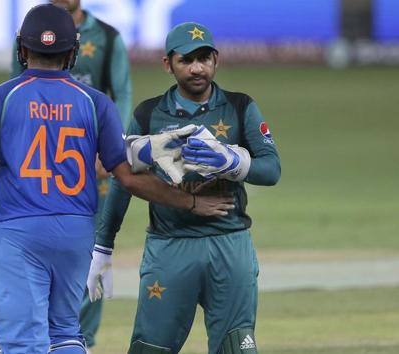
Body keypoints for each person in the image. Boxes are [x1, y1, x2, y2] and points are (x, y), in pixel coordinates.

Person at [0, 8, 234, 354]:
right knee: (64, 332)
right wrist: (190, 202)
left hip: (17, 233)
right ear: (73, 51)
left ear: (22, 50)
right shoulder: (96, 103)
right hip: (76, 233)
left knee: (22, 342)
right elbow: (127, 177)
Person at [88, 22, 281, 354]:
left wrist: (235, 163)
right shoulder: (149, 114)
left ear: (216, 60)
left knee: (237, 348)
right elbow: (125, 178)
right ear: (168, 64)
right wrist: (103, 245)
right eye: (186, 60)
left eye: (204, 58)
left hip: (230, 246)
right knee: (150, 349)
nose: (197, 68)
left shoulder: (239, 107)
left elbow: (272, 169)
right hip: (169, 249)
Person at [11, 1, 132, 351]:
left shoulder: (108, 37)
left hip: (93, 164)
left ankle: (83, 342)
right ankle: (42, 338)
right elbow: (14, 91)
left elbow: (121, 95)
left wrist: (110, 148)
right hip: (44, 160)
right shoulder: (29, 33)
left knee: (91, 255)